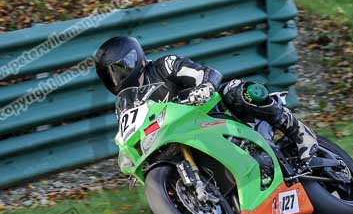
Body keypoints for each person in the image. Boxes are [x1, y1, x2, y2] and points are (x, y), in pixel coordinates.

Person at [94, 36, 318, 164]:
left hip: (215, 116)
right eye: (109, 75)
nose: (115, 79)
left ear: (132, 60)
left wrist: (204, 88)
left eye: (117, 70)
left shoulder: (165, 65)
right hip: (183, 140)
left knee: (238, 90)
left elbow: (209, 74)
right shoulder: (126, 105)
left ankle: (299, 133)